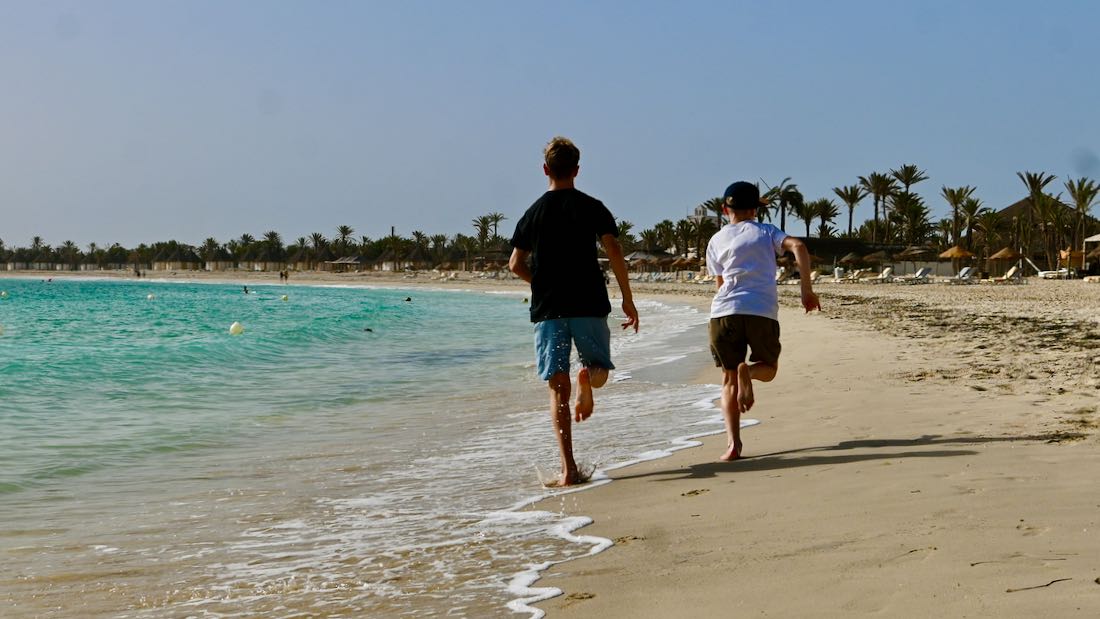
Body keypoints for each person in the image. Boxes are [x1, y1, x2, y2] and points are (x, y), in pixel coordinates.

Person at [509, 136, 639, 487]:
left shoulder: (533, 213)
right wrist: (627, 298)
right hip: (589, 302)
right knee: (598, 369)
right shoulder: (592, 206)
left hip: (549, 309)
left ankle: (568, 469)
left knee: (557, 390)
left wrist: (540, 283)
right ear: (577, 170)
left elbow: (514, 264)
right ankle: (588, 380)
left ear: (545, 169)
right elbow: (613, 247)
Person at [706, 181, 820, 462]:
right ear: (756, 209)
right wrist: (806, 290)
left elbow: (719, 284)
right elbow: (800, 247)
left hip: (722, 312)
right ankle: (751, 373)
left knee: (727, 379)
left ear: (724, 210)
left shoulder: (716, 240)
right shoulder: (766, 231)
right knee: (768, 367)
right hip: (760, 310)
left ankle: (733, 446)